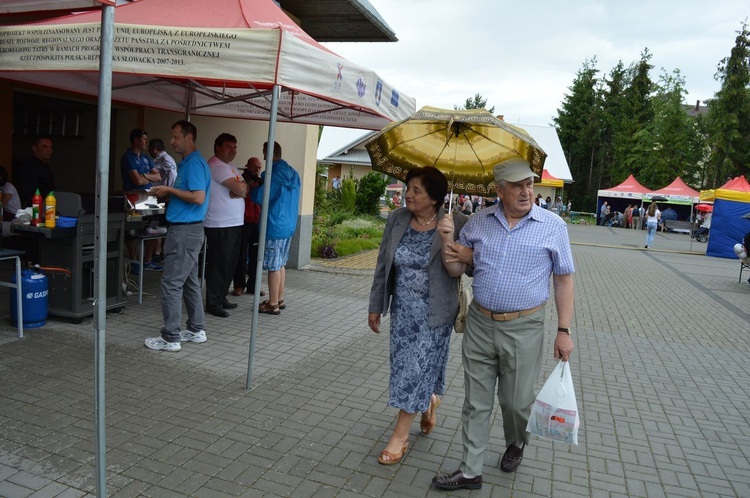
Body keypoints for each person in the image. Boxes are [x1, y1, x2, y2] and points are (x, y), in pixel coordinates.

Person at [432, 158, 575, 491]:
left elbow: (564, 279)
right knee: (476, 400)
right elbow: (455, 269)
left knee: (517, 401)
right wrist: (446, 239)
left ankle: (516, 442)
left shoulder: (552, 226)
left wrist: (564, 330)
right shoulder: (478, 223)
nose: (526, 192)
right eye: (517, 185)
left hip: (525, 326)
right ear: (499, 190)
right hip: (481, 322)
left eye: (529, 184)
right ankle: (470, 470)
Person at [368, 166, 468, 465]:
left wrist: (449, 238)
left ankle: (399, 436)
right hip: (403, 313)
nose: (407, 195)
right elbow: (383, 265)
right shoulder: (398, 219)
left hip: (434, 314)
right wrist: (376, 305)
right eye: (407, 187)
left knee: (414, 370)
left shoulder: (456, 222)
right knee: (404, 368)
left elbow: (459, 271)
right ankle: (429, 403)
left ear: (435, 199)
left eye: (416, 191)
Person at [144, 120, 212, 352]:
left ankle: (170, 337)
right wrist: (170, 195)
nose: (171, 141)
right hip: (189, 230)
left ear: (188, 138)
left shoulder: (193, 164)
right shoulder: (190, 163)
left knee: (171, 283)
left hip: (184, 232)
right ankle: (196, 329)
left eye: (175, 137)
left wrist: (169, 190)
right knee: (189, 282)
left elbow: (198, 197)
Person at [250, 141, 300, 315]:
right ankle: (279, 298)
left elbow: (262, 196)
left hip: (274, 224)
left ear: (269, 153)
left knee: (273, 266)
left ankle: (272, 305)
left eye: (264, 153)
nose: (263, 157)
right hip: (289, 224)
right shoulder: (293, 173)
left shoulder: (272, 174)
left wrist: (253, 189)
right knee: (281, 263)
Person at [204, 133, 248, 317]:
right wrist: (239, 189)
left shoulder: (230, 167)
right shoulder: (216, 165)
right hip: (219, 224)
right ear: (217, 148)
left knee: (229, 263)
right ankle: (213, 302)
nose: (233, 150)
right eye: (229, 146)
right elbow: (240, 188)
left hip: (234, 223)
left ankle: (221, 296)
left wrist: (241, 188)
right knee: (219, 264)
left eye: (235, 147)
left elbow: (245, 187)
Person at [122, 128, 163, 271]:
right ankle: (133, 261)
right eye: (144, 139)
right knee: (133, 230)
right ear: (136, 140)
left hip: (149, 197)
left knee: (153, 229)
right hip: (133, 198)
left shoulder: (146, 158)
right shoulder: (128, 157)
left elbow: (158, 177)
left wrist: (143, 175)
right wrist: (146, 177)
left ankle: (147, 261)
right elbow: (136, 181)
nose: (146, 142)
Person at [231, 157, 265, 297]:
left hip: (257, 222)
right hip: (243, 221)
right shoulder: (241, 180)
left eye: (259, 167)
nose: (257, 170)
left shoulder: (261, 182)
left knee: (256, 256)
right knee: (240, 255)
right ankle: (239, 285)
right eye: (255, 167)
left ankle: (253, 286)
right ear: (247, 166)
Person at [17, 136, 55, 207]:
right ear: (34, 148)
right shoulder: (30, 166)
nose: (48, 150)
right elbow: (29, 190)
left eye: (50, 147)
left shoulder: (45, 166)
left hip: (47, 205)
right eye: (44, 147)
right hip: (35, 206)